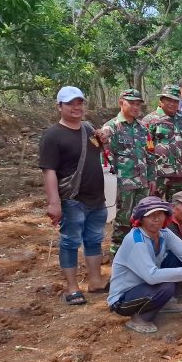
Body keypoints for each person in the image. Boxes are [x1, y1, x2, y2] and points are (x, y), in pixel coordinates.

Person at [108, 197, 182, 334]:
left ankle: (164, 303)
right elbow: (151, 276)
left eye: (160, 214)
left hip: (142, 287)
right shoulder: (136, 241)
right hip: (123, 298)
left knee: (177, 258)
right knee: (166, 286)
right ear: (141, 219)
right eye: (151, 215)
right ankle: (139, 319)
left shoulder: (164, 233)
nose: (156, 219)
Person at [39, 86, 108, 305]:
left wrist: (103, 137)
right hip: (73, 199)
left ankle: (96, 281)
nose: (76, 107)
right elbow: (48, 170)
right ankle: (72, 287)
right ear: (60, 106)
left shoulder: (88, 129)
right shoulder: (53, 135)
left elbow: (97, 150)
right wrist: (54, 202)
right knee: (70, 242)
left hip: (96, 197)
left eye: (79, 103)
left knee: (94, 240)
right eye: (70, 104)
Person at [101, 88, 157, 254]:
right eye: (131, 103)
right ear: (121, 103)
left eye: (138, 103)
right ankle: (117, 254)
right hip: (122, 183)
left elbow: (150, 154)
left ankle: (138, 250)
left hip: (142, 182)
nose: (135, 107)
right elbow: (105, 157)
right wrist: (111, 184)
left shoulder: (143, 128)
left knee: (141, 217)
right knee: (122, 220)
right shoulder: (111, 128)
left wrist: (152, 178)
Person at [142, 86, 182, 202]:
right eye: (169, 100)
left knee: (178, 206)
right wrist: (148, 174)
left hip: (180, 175)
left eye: (175, 101)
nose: (172, 104)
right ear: (161, 101)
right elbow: (145, 148)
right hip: (158, 175)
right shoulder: (149, 120)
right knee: (154, 206)